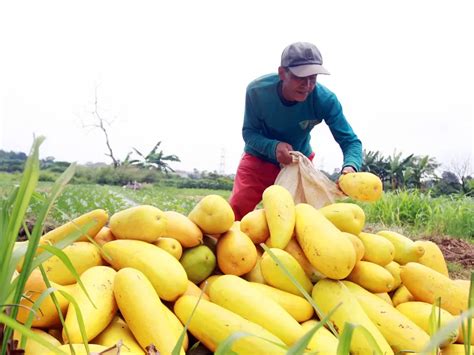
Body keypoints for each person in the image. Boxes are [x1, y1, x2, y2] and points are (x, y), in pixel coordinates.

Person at [229, 41, 363, 221]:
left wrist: (350, 167)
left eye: (313, 78)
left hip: (298, 167)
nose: (307, 85)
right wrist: (273, 147)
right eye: (301, 77)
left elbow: (350, 141)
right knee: (236, 214)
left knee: (301, 221)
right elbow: (249, 133)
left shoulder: (325, 100)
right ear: (283, 73)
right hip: (258, 160)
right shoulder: (257, 92)